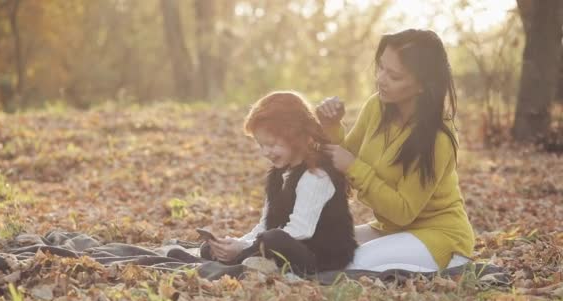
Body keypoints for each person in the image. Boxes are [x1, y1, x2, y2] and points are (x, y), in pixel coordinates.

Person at [316, 29, 475, 272]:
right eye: (380, 67)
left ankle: (453, 266)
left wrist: (353, 166)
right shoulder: (376, 107)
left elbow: (403, 212)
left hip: (439, 236)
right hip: (391, 230)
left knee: (344, 264)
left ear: (422, 85)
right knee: (319, 245)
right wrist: (331, 126)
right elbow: (340, 162)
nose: (381, 78)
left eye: (394, 76)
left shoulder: (438, 138)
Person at [179, 91, 358, 274]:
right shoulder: (278, 176)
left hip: (320, 258)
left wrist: (244, 248)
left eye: (272, 144)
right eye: (261, 145)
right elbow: (265, 225)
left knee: (274, 239)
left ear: (295, 137)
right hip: (281, 244)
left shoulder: (316, 175)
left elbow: (300, 230)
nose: (266, 152)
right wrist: (238, 243)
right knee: (216, 248)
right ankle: (232, 257)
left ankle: (241, 260)